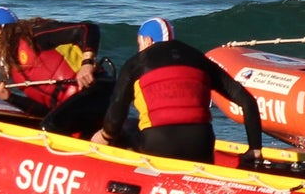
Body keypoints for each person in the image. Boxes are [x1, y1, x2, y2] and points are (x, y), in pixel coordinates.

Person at [99, 18, 264, 167]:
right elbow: (248, 102)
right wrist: (254, 148)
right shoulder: (199, 59)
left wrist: (105, 137)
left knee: (128, 125)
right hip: (201, 145)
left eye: (139, 43)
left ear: (146, 40)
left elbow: (115, 116)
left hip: (158, 144)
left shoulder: (136, 63)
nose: (139, 48)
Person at [0, 8, 112, 137]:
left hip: (98, 91)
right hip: (79, 108)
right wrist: (9, 97)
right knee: (50, 123)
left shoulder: (33, 37)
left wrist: (87, 64)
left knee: (51, 126)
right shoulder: (15, 71)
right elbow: (44, 111)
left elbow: (88, 29)